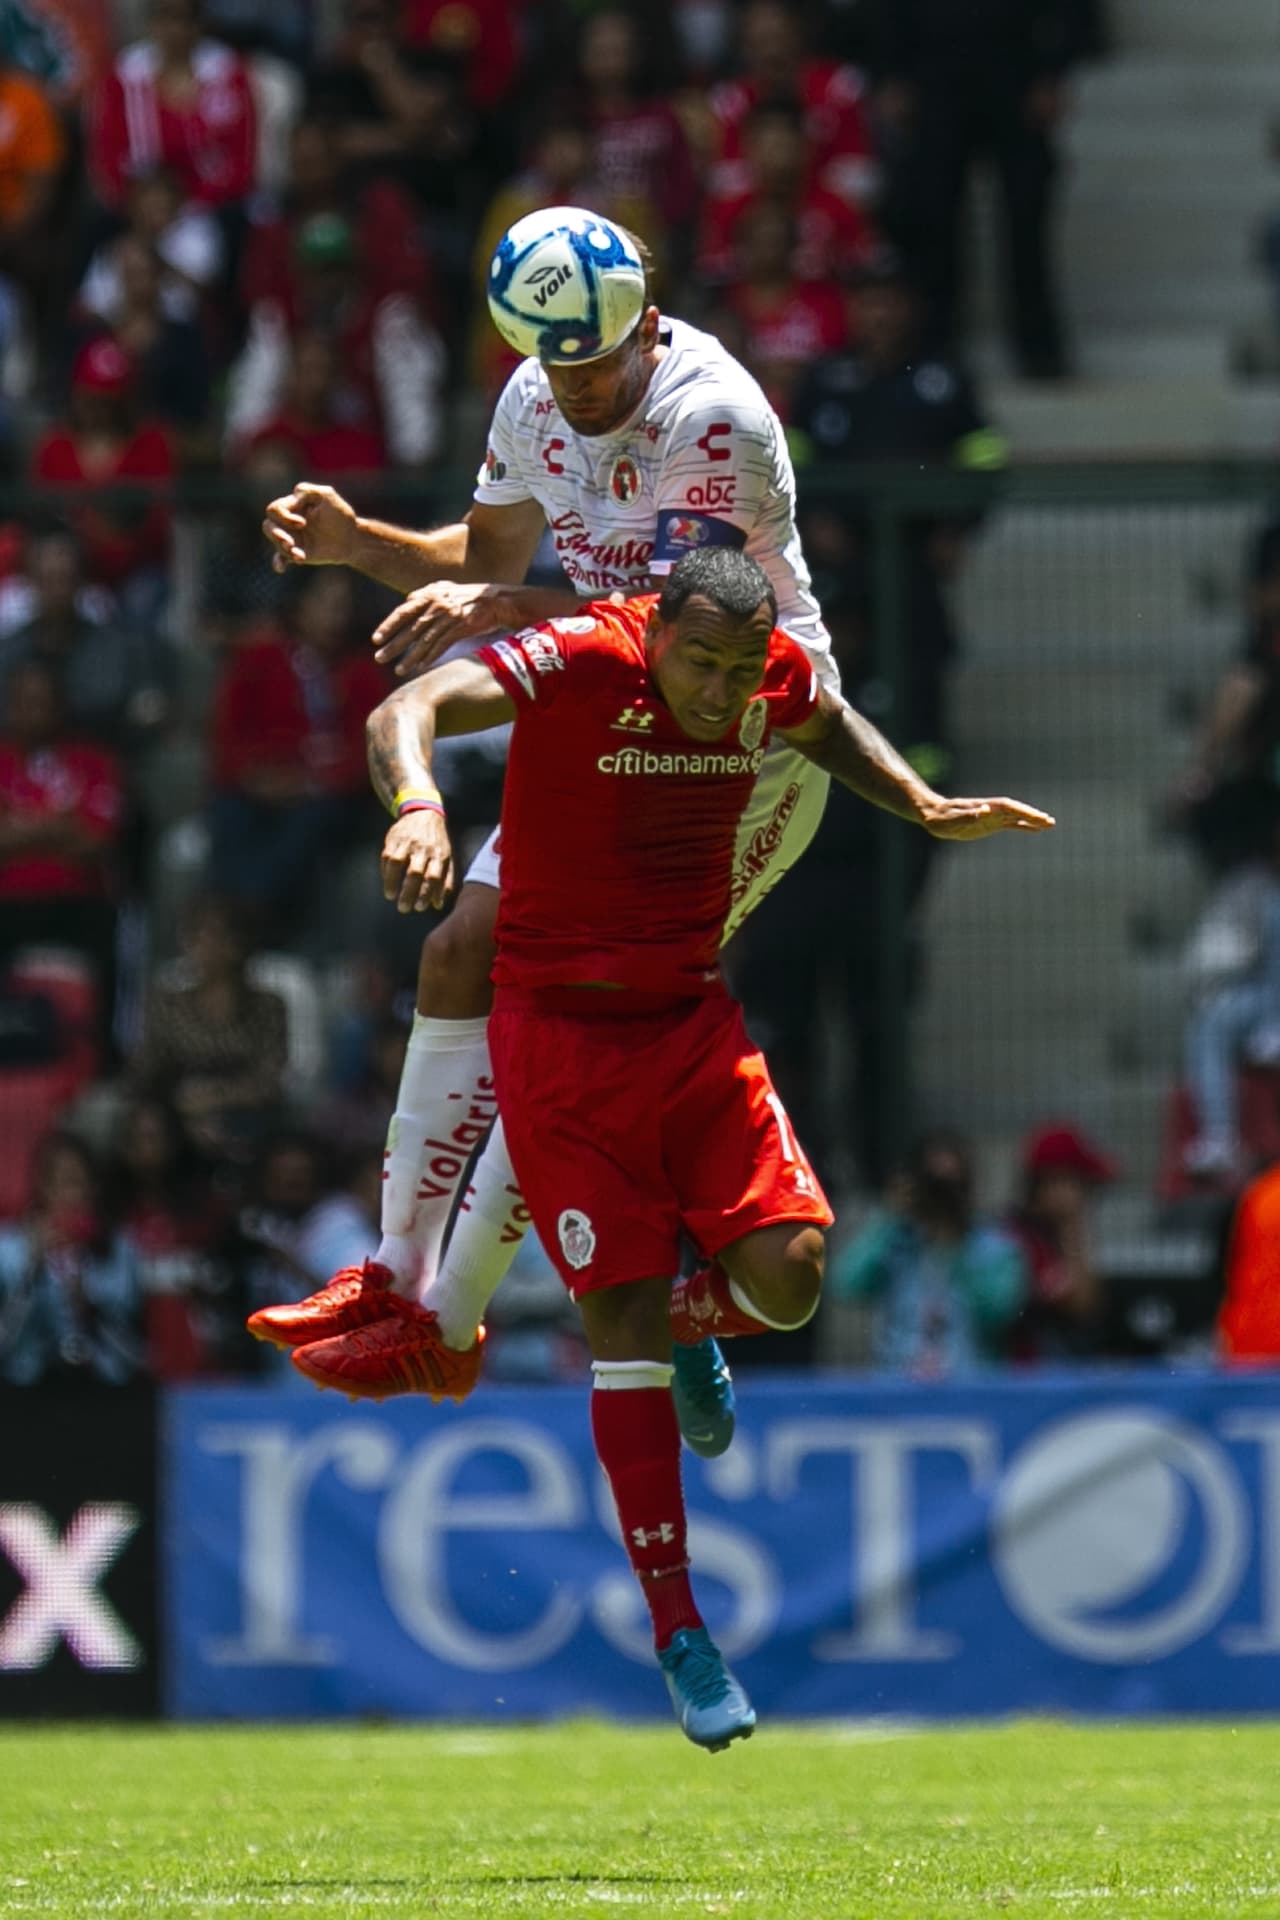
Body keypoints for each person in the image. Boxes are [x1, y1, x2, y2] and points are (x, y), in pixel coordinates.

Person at [250, 548, 1051, 1745]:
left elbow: (821, 721)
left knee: (789, 1281)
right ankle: (682, 1635)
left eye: (739, 672)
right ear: (652, 631)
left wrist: (922, 805)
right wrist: (419, 806)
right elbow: (404, 707)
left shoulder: (765, 672)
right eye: (701, 664)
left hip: (687, 1018)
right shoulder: (579, 658)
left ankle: (693, 1322)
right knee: (610, 1326)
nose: (723, 695)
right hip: (558, 1042)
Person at [257, 205, 857, 1442]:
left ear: (644, 320)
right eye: (552, 359)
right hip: (608, 736)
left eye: (594, 359)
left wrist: (488, 601)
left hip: (735, 752)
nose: (575, 386)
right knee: (456, 956)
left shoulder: (714, 416)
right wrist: (356, 543)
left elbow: (663, 631)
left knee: (575, 1007)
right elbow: (484, 561)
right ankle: (395, 1275)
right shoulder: (532, 397)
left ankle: (462, 1327)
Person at [873, 0, 1078, 377]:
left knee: (1026, 217)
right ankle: (937, 343)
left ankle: (1039, 346)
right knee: (936, 218)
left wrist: (1054, 71)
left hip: (1017, 70)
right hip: (935, 74)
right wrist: (892, 74)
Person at [207, 567, 389, 929]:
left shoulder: (363, 671)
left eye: (343, 605)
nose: (335, 615)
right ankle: (225, 918)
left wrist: (310, 782)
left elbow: (369, 751)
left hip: (325, 795)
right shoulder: (259, 659)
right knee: (229, 814)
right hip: (258, 785)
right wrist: (258, 778)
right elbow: (227, 736)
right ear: (299, 605)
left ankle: (249, 920)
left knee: (307, 824)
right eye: (325, 602)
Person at [833, 1131, 1028, 1374]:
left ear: (968, 1186)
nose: (942, 1195)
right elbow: (844, 1285)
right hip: (898, 1392)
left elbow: (1000, 1312)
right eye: (934, 1184)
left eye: (951, 1185)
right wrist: (888, 1216)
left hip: (971, 1392)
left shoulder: (995, 1247)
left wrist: (955, 1245)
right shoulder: (894, 1240)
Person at [0, 658, 123, 1032]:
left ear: (61, 707)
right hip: (7, 899)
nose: (33, 712)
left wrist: (22, 827)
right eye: (24, 702)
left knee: (105, 931)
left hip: (77, 897)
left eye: (42, 702)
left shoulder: (95, 762)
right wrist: (59, 823)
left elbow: (96, 842)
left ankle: (100, 1059)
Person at [135, 894, 289, 1165]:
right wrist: (183, 1106)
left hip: (245, 1111)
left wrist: (215, 1098)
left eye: (217, 934)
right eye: (196, 935)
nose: (205, 946)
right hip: (178, 1106)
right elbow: (149, 1068)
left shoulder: (268, 1006)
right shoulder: (167, 1003)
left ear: (239, 942)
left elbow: (270, 1078)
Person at [1181, 801, 1280, 1178]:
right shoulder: (1252, 883)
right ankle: (1219, 1137)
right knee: (1210, 1022)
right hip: (1260, 999)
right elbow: (1218, 953)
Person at [0, 1131, 145, 1387]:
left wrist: (90, 1308)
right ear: (42, 1187)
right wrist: (30, 1272)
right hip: (25, 1391)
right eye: (59, 1183)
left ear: (93, 1188)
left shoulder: (119, 1249)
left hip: (106, 1390)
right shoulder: (9, 1249)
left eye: (78, 1183)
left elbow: (138, 1352)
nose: (70, 1195)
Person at [1004, 1122, 1114, 1361]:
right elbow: (1082, 1306)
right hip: (1023, 1382)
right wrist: (1074, 1224)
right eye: (1083, 1186)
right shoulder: (1018, 1240)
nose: (1087, 1198)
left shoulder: (1050, 1235)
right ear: (1052, 1183)